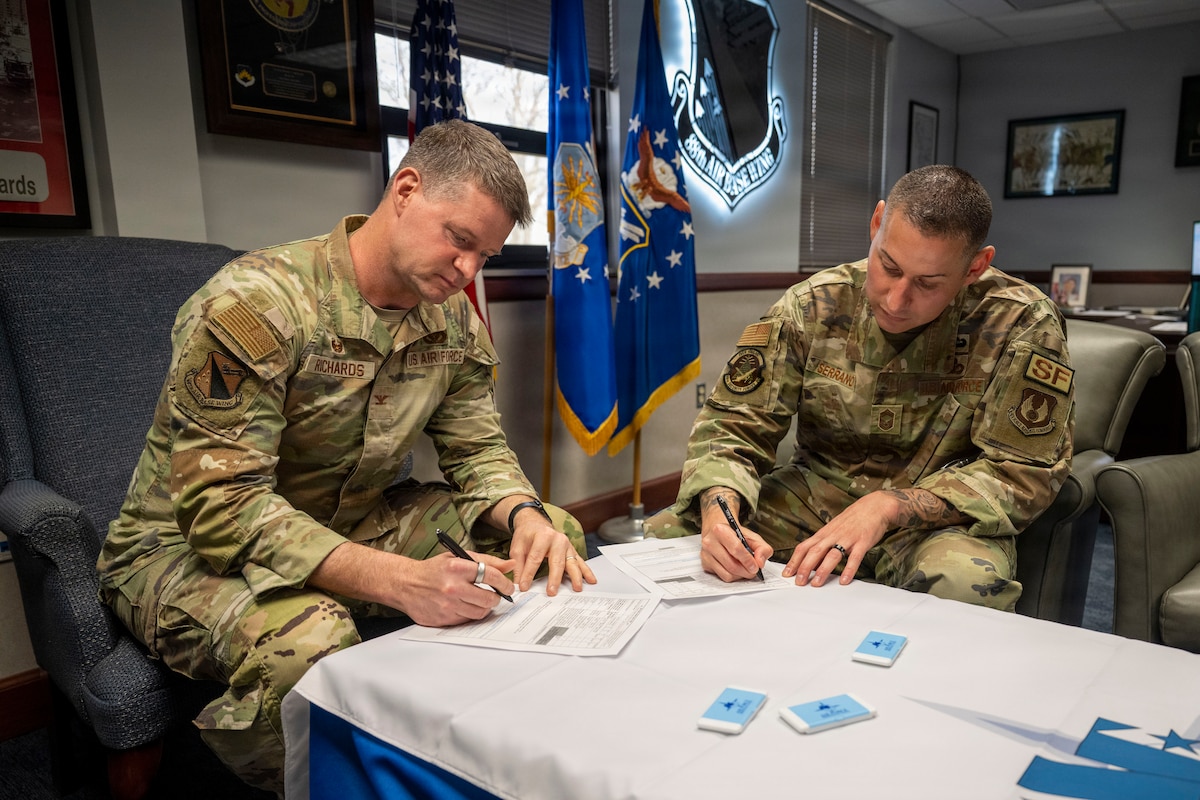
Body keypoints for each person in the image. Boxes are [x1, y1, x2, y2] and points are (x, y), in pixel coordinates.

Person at [97, 119, 595, 795]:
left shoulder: (449, 320)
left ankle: (472, 740)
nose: (469, 271)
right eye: (460, 240)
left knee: (550, 544)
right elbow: (224, 511)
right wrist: (398, 581)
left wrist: (526, 516)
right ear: (406, 190)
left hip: (348, 520)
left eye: (487, 256)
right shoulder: (258, 304)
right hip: (184, 549)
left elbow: (477, 449)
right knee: (310, 639)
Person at [645, 165, 1073, 612]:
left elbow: (1024, 471)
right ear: (876, 224)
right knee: (670, 538)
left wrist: (890, 506)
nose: (895, 299)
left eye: (927, 283)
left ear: (974, 267)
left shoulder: (1021, 323)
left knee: (962, 586)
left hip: (938, 518)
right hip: (815, 496)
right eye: (888, 265)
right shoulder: (814, 305)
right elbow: (733, 425)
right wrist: (719, 508)